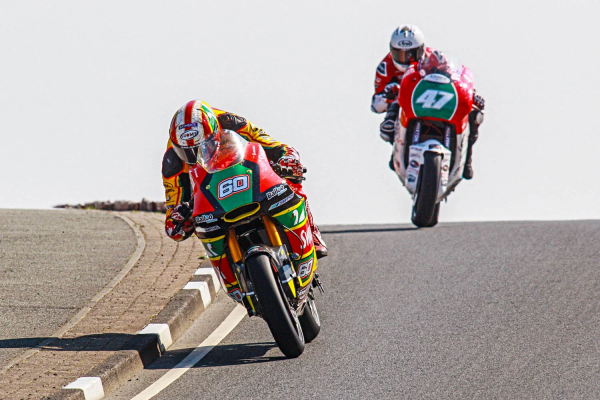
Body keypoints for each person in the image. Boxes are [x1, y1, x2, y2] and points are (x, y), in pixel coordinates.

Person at [161, 100, 328, 258]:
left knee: (289, 172)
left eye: (201, 147)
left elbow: (272, 145)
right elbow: (173, 206)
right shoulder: (172, 161)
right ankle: (227, 264)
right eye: (186, 151)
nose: (195, 155)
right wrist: (177, 219)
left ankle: (311, 233)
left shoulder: (231, 122)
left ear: (215, 132)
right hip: (209, 193)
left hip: (246, 175)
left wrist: (287, 158)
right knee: (194, 221)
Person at [371, 25, 485, 179]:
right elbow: (376, 105)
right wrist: (387, 94)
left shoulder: (433, 57)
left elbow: (455, 77)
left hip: (431, 98)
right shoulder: (385, 67)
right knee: (388, 125)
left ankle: (467, 158)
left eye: (412, 54)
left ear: (422, 49)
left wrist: (472, 94)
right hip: (407, 104)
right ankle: (397, 152)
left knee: (473, 114)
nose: (407, 60)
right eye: (401, 54)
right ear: (392, 51)